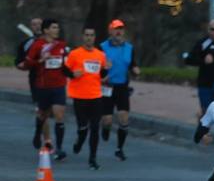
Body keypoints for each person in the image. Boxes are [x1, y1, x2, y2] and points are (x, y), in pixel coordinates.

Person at [21, 19, 68, 160]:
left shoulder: (61, 45)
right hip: (43, 86)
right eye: (54, 27)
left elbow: (67, 64)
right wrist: (40, 60)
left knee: (59, 116)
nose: (57, 30)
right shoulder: (37, 45)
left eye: (57, 27)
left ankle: (59, 148)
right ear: (46, 30)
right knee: (43, 115)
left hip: (59, 85)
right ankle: (37, 133)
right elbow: (27, 63)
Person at [63, 26, 107, 170]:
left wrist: (106, 72)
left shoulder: (100, 55)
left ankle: (92, 159)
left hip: (95, 95)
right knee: (83, 127)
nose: (89, 37)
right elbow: (64, 69)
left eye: (92, 35)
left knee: (95, 128)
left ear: (95, 37)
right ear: (83, 37)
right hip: (79, 96)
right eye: (87, 35)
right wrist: (72, 74)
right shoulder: (75, 54)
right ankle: (79, 141)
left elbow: (101, 73)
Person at [98, 20, 138, 161]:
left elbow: (132, 64)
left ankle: (119, 149)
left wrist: (135, 70)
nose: (118, 32)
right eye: (116, 29)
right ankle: (106, 128)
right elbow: (96, 66)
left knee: (123, 118)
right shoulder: (102, 47)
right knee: (107, 120)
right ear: (110, 31)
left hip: (122, 87)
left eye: (121, 29)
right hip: (107, 87)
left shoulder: (129, 48)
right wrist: (102, 72)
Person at [181, 19, 214, 114]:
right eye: (213, 29)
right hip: (205, 85)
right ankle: (202, 127)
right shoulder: (203, 43)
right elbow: (188, 60)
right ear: (208, 30)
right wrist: (203, 61)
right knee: (207, 112)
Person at [17, 17, 52, 148]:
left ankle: (40, 133)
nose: (37, 26)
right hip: (36, 81)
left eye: (39, 24)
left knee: (51, 111)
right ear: (31, 27)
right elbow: (19, 62)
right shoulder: (26, 43)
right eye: (34, 24)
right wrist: (22, 65)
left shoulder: (54, 42)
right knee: (42, 111)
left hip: (54, 81)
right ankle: (47, 141)